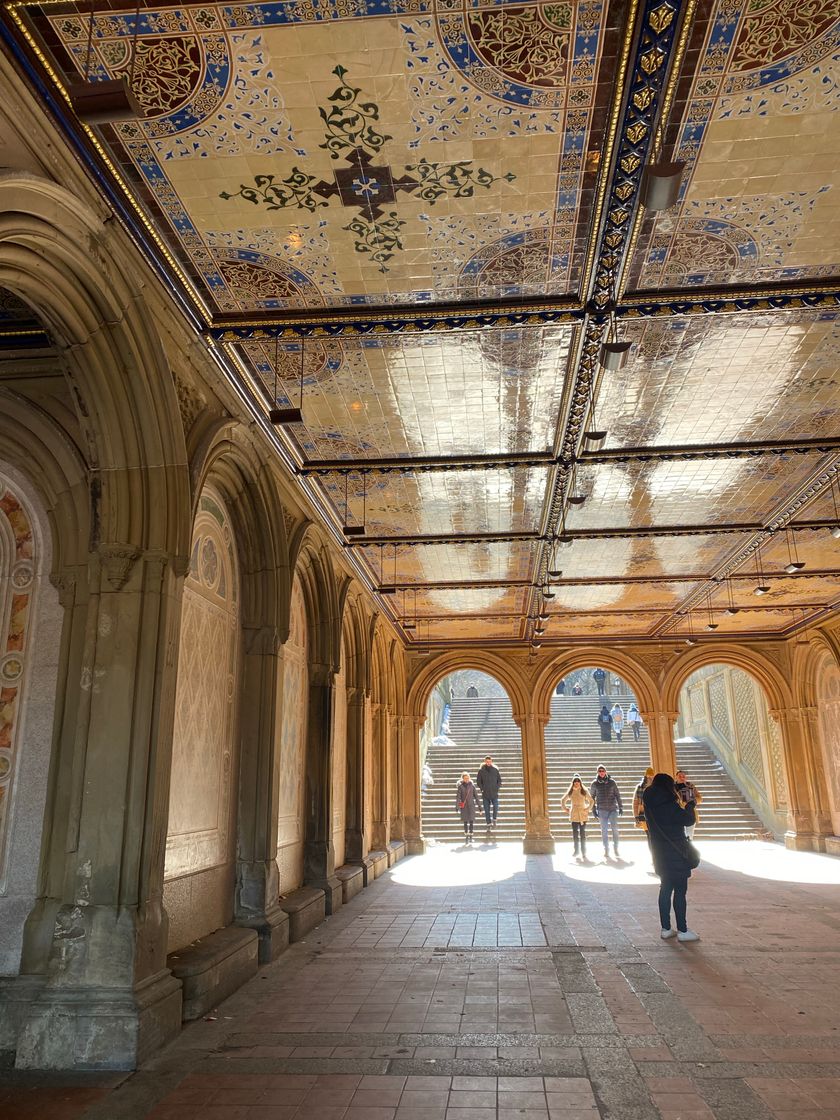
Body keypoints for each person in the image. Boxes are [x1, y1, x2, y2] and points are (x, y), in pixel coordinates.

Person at [643, 773, 700, 942]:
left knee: (665, 889)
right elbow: (689, 820)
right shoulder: (669, 805)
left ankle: (666, 928)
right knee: (680, 891)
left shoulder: (650, 803)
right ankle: (682, 930)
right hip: (677, 852)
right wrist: (690, 804)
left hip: (659, 853)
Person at [590, 765, 623, 859]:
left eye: (603, 770)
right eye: (599, 771)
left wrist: (620, 807)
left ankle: (616, 848)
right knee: (604, 830)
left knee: (615, 830)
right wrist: (593, 809)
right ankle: (606, 849)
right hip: (602, 810)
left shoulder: (612, 782)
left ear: (605, 771)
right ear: (597, 772)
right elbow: (592, 797)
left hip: (612, 809)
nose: (601, 772)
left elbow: (617, 795)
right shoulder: (594, 784)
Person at [562, 774, 594, 860]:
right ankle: (576, 850)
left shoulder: (584, 791)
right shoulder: (570, 791)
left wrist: (587, 809)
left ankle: (584, 851)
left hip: (583, 814)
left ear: (580, 782)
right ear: (573, 782)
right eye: (575, 781)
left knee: (582, 833)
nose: (576, 783)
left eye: (578, 781)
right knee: (575, 834)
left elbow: (591, 801)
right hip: (574, 815)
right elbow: (563, 800)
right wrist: (565, 809)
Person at [476, 754, 502, 828]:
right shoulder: (481, 771)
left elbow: (499, 780)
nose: (488, 763)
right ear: (485, 762)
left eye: (489, 761)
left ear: (491, 761)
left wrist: (497, 788)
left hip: (494, 793)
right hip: (485, 794)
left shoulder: (495, 770)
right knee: (486, 810)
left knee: (496, 806)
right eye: (487, 761)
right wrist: (482, 788)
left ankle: (494, 818)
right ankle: (488, 823)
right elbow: (478, 781)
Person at [675, 770, 703, 839]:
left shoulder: (690, 785)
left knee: (689, 836)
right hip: (678, 813)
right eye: (680, 776)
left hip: (690, 812)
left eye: (683, 776)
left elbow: (699, 798)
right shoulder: (673, 787)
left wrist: (692, 802)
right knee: (680, 836)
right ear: (676, 777)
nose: (682, 778)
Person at [456, 771, 479, 843]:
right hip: (464, 807)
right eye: (465, 778)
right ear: (462, 779)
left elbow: (476, 797)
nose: (467, 779)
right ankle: (466, 837)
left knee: (471, 822)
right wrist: (457, 807)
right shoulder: (460, 787)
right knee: (465, 822)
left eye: (468, 778)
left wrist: (480, 806)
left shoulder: (472, 786)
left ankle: (471, 837)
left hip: (471, 806)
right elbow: (458, 798)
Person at [633, 767, 655, 841]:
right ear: (646, 776)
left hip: (655, 812)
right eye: (649, 776)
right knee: (649, 834)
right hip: (643, 813)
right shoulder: (640, 787)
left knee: (653, 834)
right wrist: (636, 817)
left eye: (652, 776)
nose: (650, 778)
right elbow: (635, 803)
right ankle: (652, 851)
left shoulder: (657, 787)